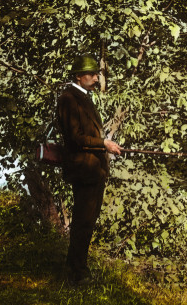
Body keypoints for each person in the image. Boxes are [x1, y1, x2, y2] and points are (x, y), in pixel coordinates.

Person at [57, 55, 121, 286]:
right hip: (83, 171)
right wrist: (104, 144)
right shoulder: (68, 99)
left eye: (96, 74)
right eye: (91, 74)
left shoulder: (83, 96)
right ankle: (78, 273)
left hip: (94, 171)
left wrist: (104, 146)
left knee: (88, 221)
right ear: (78, 76)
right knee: (83, 222)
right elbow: (75, 138)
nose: (96, 78)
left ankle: (75, 267)